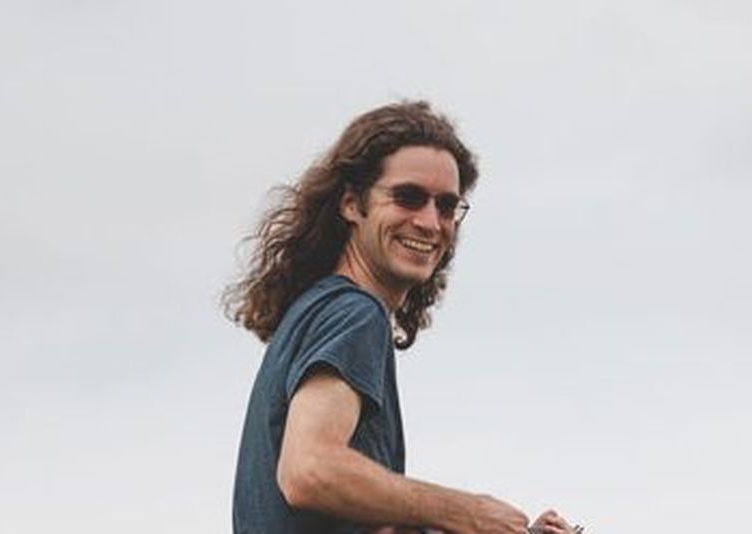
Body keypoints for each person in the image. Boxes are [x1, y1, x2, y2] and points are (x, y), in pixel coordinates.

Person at [225, 101, 577, 534]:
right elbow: (310, 470)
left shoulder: (322, 310)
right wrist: (468, 512)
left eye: (446, 206)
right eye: (408, 197)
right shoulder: (354, 314)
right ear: (351, 204)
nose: (430, 222)